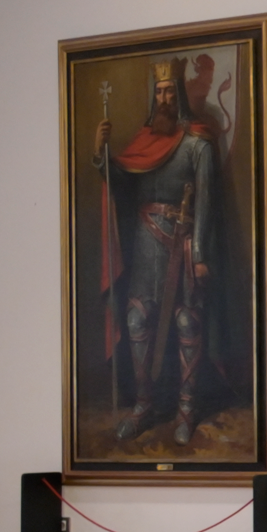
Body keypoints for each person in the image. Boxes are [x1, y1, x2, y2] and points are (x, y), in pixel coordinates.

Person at [93, 57, 217, 445]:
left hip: (181, 242)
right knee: (135, 321)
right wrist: (101, 153)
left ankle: (185, 409)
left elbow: (208, 205)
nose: (164, 97)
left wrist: (198, 254)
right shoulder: (142, 144)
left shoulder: (198, 145)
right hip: (146, 243)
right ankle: (144, 405)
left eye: (169, 91)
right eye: (158, 91)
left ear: (179, 94)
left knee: (187, 323)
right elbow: (120, 183)